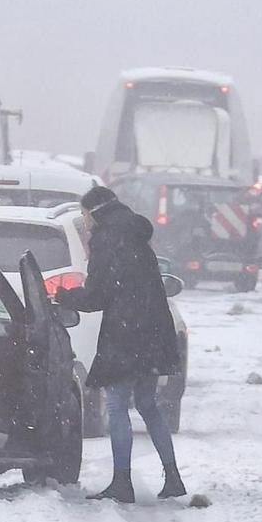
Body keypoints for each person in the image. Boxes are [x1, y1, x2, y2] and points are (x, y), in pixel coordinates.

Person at [59, 185, 186, 503]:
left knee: (117, 406)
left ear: (93, 212)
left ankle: (122, 482)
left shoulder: (105, 239)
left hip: (126, 334)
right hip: (155, 331)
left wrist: (63, 297)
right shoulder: (136, 233)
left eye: (84, 214)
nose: (84, 221)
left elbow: (98, 295)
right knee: (147, 404)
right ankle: (172, 477)